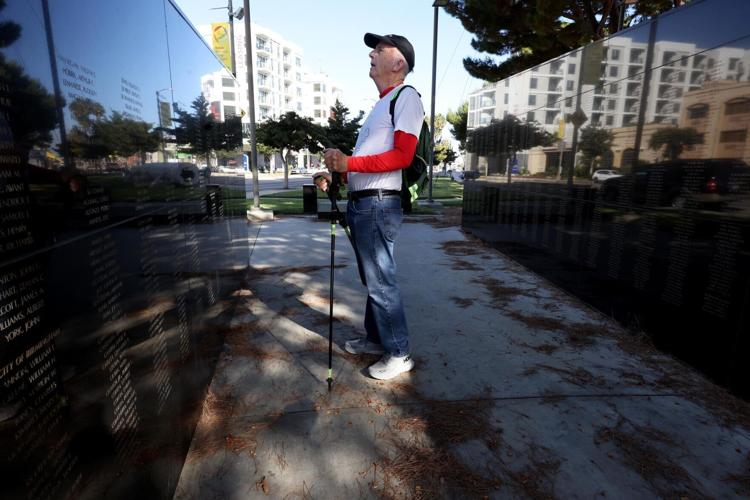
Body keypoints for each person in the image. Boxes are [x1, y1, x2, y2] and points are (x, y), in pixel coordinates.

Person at [314, 33, 424, 380]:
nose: (371, 55)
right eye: (372, 49)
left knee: (380, 279)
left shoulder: (406, 97)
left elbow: (402, 157)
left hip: (378, 205)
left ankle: (399, 352)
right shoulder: (381, 104)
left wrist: (349, 165)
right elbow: (365, 164)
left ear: (399, 63)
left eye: (379, 49)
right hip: (365, 203)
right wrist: (338, 175)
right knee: (373, 277)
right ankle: (378, 339)